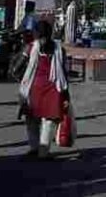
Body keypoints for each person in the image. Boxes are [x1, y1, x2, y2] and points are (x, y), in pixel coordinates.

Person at [19, 20, 69, 159]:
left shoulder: (30, 47)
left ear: (35, 33)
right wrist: (66, 94)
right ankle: (43, 151)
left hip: (34, 87)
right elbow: (64, 73)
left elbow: (17, 67)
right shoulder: (59, 49)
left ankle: (34, 148)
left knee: (31, 119)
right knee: (49, 121)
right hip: (54, 88)